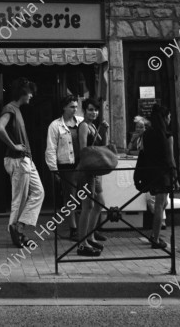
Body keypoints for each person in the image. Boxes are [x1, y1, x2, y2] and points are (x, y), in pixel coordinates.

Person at [0, 78, 45, 248]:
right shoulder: (10, 108)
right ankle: (17, 234)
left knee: (38, 192)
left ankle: (18, 227)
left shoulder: (16, 109)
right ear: (22, 92)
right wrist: (14, 146)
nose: (31, 95)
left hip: (25, 160)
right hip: (18, 160)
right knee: (19, 199)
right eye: (30, 92)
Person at [45, 95, 84, 241]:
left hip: (83, 165)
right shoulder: (55, 125)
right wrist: (53, 169)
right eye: (71, 107)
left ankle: (88, 228)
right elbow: (50, 148)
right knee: (71, 199)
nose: (75, 109)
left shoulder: (81, 122)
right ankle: (73, 229)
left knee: (87, 196)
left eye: (76, 106)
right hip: (66, 165)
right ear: (64, 107)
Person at [140, 104, 179, 249]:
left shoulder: (147, 134)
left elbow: (145, 153)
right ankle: (155, 238)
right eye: (168, 117)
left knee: (163, 203)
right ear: (164, 118)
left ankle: (154, 235)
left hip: (151, 172)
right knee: (159, 205)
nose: (169, 119)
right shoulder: (167, 136)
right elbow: (171, 159)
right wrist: (175, 176)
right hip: (163, 174)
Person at [76, 98, 110, 256]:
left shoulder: (93, 125)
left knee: (100, 203)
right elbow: (84, 150)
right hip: (86, 170)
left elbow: (102, 146)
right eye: (90, 109)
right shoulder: (83, 126)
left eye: (96, 110)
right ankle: (82, 243)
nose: (94, 112)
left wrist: (104, 130)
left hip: (94, 171)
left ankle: (90, 236)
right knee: (87, 206)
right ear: (84, 111)